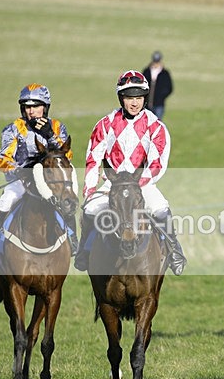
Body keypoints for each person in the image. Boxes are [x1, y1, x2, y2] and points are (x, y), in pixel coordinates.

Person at [75, 70, 186, 275]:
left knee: (160, 208)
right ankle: (84, 250)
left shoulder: (156, 126)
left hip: (141, 183)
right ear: (121, 98)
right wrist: (90, 190)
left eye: (139, 97)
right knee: (90, 209)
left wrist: (137, 183)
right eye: (129, 98)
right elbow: (93, 158)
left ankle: (175, 251)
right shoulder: (105, 124)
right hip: (112, 183)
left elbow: (157, 163)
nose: (134, 103)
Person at [0, 83, 77, 258]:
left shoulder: (57, 127)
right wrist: (18, 171)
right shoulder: (14, 128)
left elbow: (66, 156)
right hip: (22, 181)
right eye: (27, 107)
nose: (31, 111)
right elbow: (3, 159)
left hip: (50, 181)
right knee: (6, 200)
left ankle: (73, 239)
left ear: (45, 107)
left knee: (66, 200)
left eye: (36, 106)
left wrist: (50, 135)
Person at [142, 51, 173, 120]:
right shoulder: (146, 71)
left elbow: (169, 88)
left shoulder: (165, 73)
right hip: (147, 103)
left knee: (157, 123)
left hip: (159, 103)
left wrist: (162, 96)